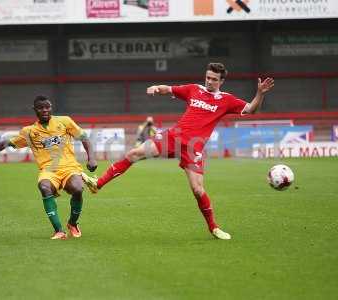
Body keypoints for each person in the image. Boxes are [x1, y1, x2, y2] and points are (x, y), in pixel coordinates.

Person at [82, 62, 274, 240]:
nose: (209, 81)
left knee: (198, 190)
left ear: (221, 81)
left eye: (214, 79)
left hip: (193, 148)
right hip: (173, 138)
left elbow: (250, 110)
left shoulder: (227, 100)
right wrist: (157, 88)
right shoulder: (193, 89)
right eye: (208, 77)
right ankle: (98, 184)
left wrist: (260, 93)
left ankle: (213, 227)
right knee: (134, 153)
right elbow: (170, 89)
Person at [0, 95, 97, 240]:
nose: (45, 110)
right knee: (44, 186)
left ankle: (73, 224)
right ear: (34, 110)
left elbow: (84, 138)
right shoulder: (29, 131)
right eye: (41, 108)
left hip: (70, 168)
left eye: (47, 107)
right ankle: (59, 231)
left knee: (78, 188)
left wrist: (91, 158)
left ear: (51, 107)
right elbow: (6, 142)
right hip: (48, 171)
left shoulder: (64, 121)